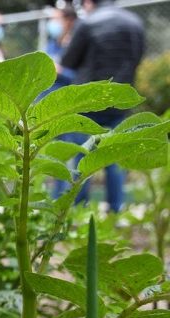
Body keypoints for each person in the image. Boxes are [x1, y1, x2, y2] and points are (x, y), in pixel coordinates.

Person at [60, 0, 145, 212]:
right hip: (120, 101)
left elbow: (68, 61)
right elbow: (138, 57)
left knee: (83, 156)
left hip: (89, 102)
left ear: (89, 2)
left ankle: (78, 214)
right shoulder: (135, 22)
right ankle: (115, 211)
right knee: (115, 159)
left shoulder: (87, 23)